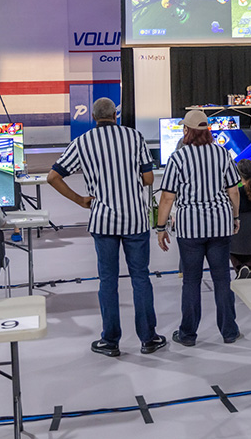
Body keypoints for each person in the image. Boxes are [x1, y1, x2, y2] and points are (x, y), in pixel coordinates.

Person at [47, 97, 165, 358]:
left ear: (93, 117)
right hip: (135, 219)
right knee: (140, 278)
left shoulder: (82, 142)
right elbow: (148, 179)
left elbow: (53, 177)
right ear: (115, 115)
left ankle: (110, 341)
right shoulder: (134, 137)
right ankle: (148, 338)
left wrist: (80, 200)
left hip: (103, 220)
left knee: (108, 281)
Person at [156, 110, 242, 347]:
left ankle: (188, 334)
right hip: (220, 225)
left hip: (190, 228)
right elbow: (233, 191)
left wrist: (161, 227)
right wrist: (235, 217)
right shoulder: (222, 153)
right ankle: (229, 331)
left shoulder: (178, 158)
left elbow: (167, 197)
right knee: (222, 279)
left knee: (191, 281)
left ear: (186, 130)